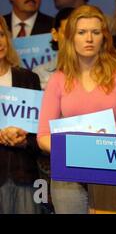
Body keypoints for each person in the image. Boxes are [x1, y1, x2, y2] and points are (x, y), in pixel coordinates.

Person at [37, 5, 116, 213]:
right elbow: (43, 136)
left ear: (104, 37)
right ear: (71, 38)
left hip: (115, 169)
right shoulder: (58, 79)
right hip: (69, 175)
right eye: (82, 32)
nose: (89, 38)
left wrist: (111, 148)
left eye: (95, 32)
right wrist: (75, 149)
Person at [0, 15, 42, 214]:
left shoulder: (29, 79)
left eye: (1, 35)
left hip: (25, 175)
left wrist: (25, 141)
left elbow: (39, 134)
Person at [33, 8, 74, 90]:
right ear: (55, 34)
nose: (72, 38)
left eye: (79, 32)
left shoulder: (95, 73)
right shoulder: (39, 74)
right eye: (67, 32)